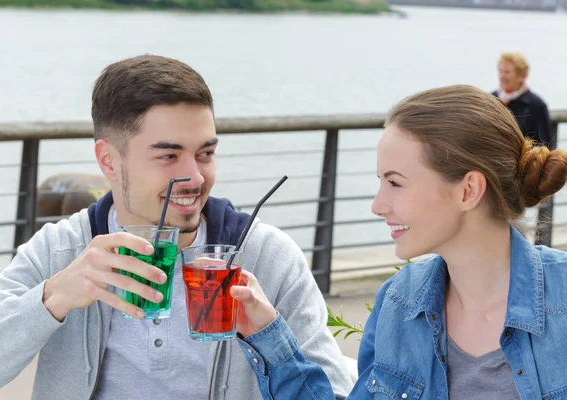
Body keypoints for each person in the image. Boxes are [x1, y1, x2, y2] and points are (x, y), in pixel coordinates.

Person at [0, 55, 353, 399]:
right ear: (109, 161)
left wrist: (271, 341)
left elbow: (334, 392)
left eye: (205, 153)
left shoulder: (266, 256)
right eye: (168, 155)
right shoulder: (59, 252)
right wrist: (54, 297)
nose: (194, 177)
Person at [230, 85, 567, 399]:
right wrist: (268, 333)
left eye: (395, 183)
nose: (377, 206)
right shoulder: (398, 302)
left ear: (468, 191)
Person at [492, 52, 553, 148]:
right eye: (500, 71)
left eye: (507, 72)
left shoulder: (537, 105)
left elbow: (545, 146)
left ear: (522, 76)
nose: (502, 76)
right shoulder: (491, 99)